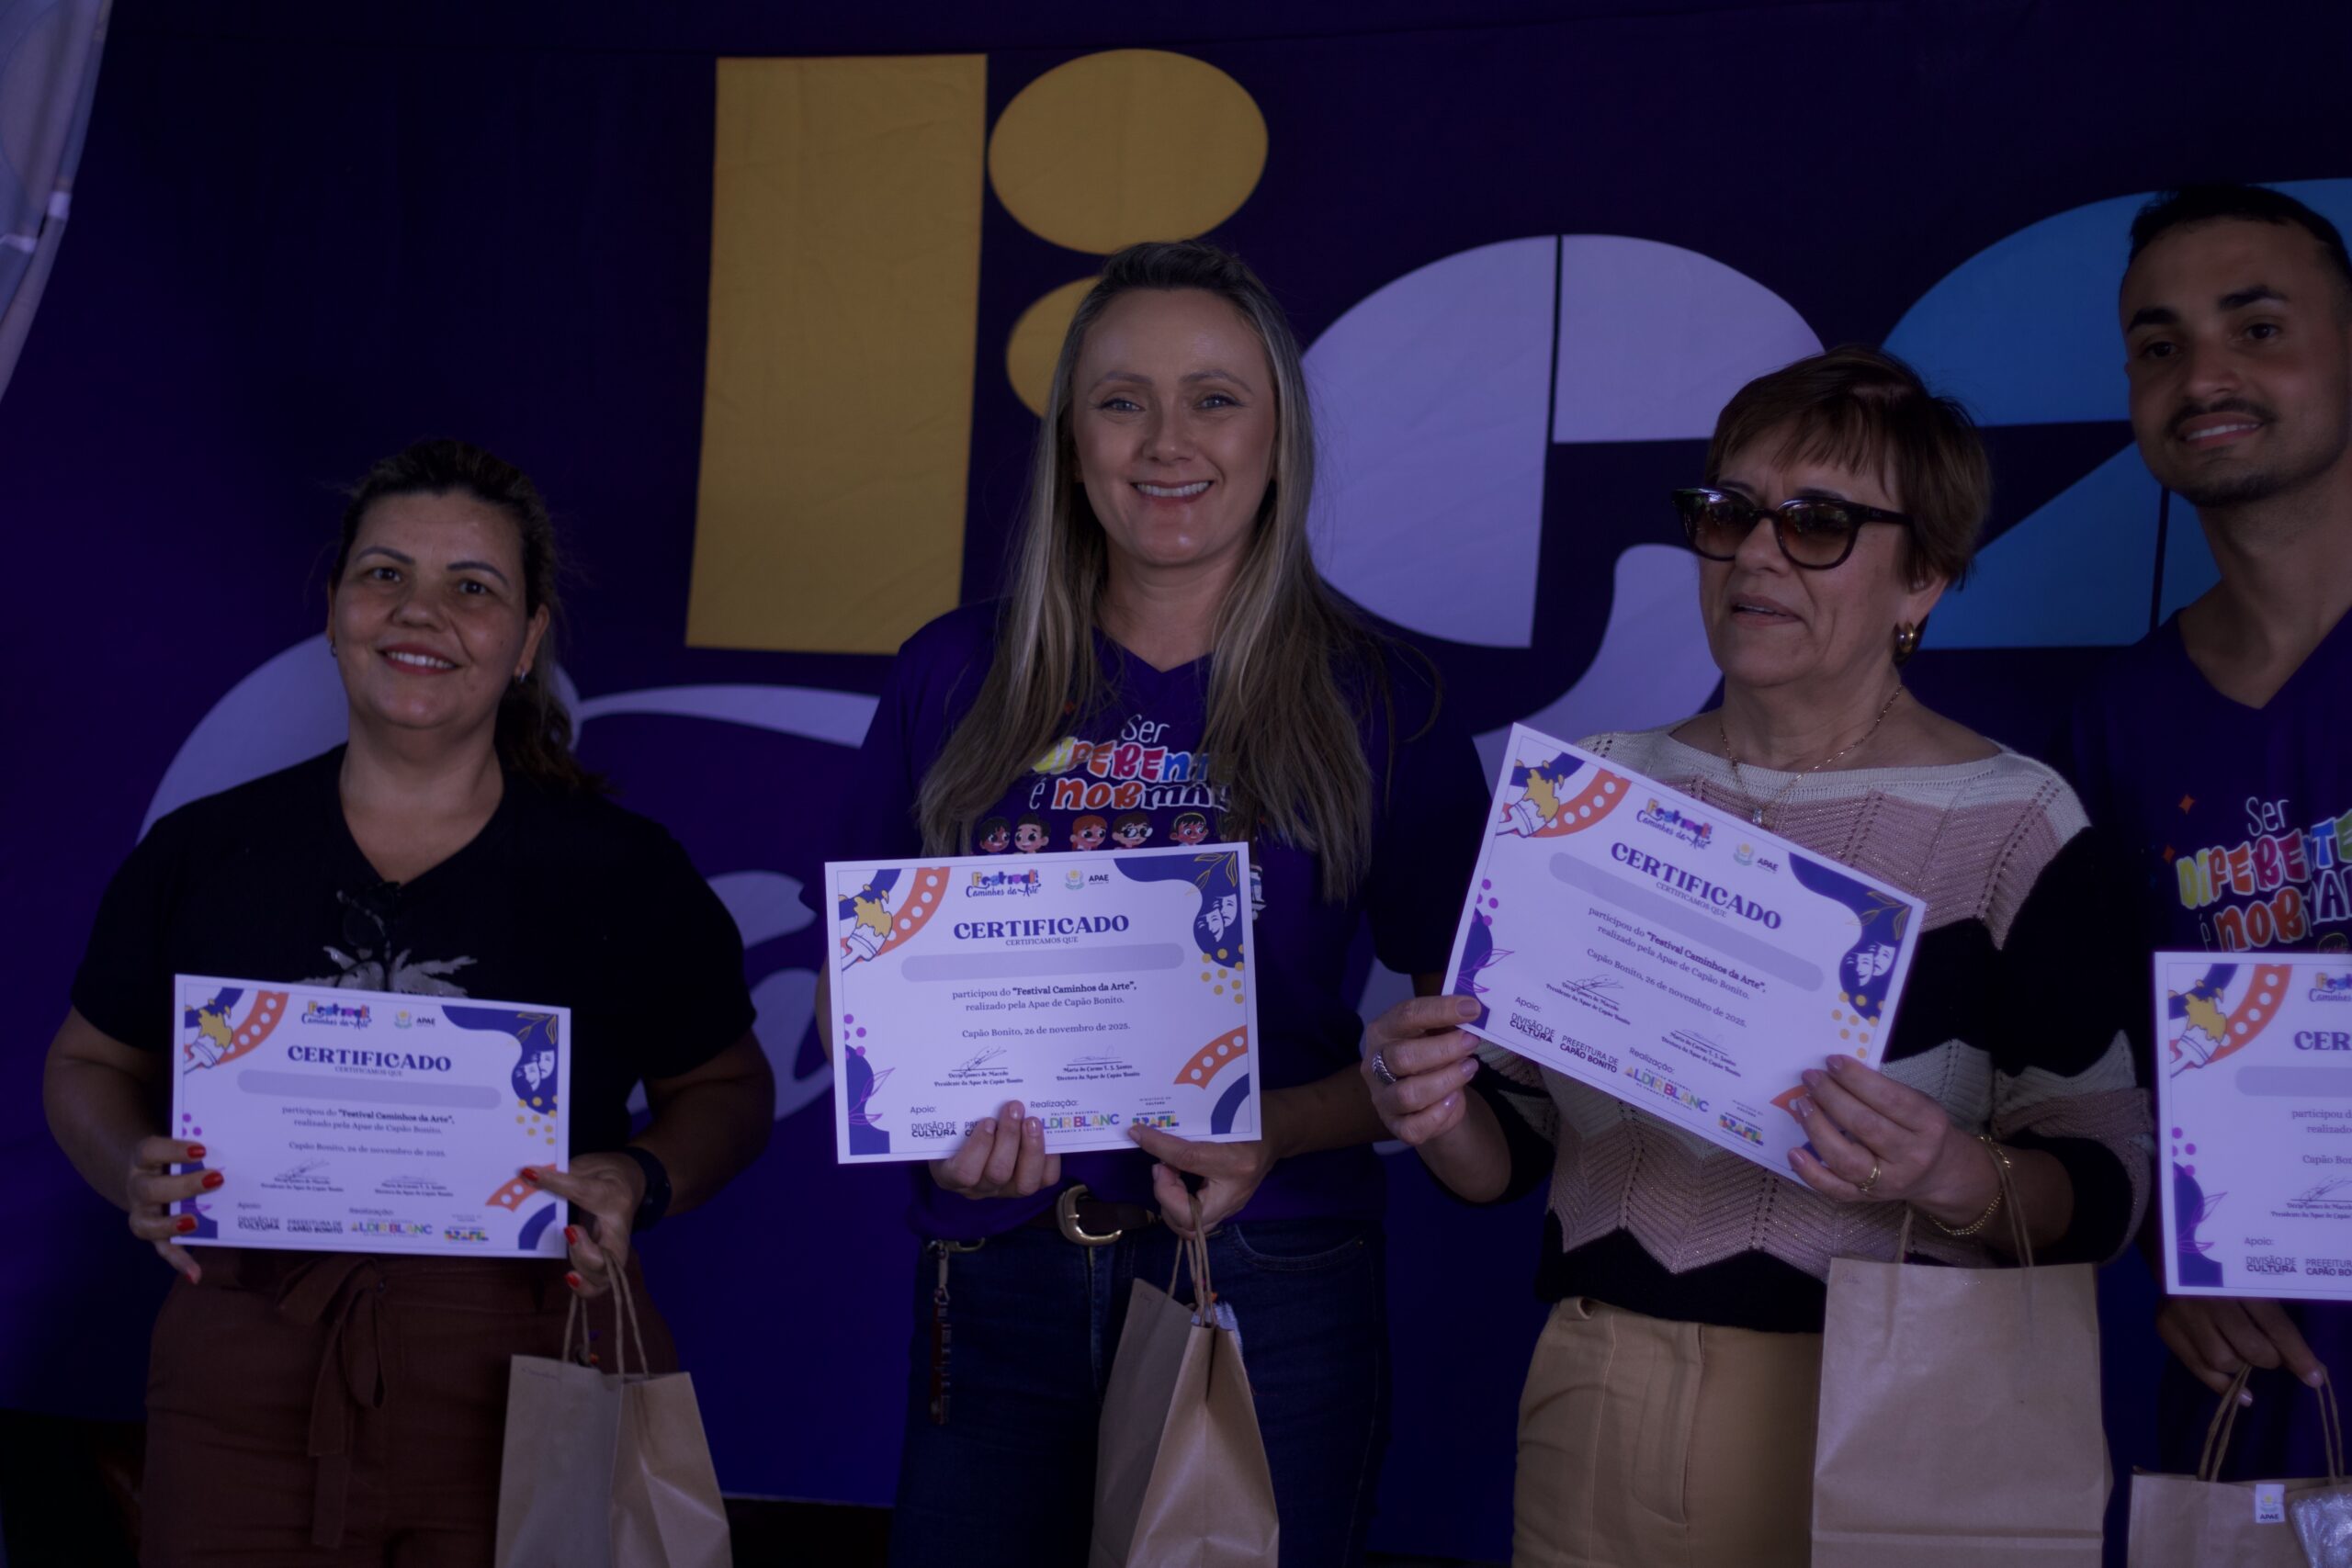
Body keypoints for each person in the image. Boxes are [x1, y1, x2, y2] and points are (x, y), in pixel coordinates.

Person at [1364, 346, 2153, 1566]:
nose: (1756, 555)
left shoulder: (2016, 826)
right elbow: (1507, 1148)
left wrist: (1953, 1172)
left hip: (1890, 1417)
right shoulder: (1593, 792)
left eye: (1819, 523)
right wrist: (1431, 1106)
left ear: (1925, 576)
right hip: (1599, 1394)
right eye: (1729, 512)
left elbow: (2110, 1180)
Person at [818, 239, 1487, 1567]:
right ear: (1073, 445)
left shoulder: (1383, 699)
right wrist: (931, 1122)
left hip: (1268, 1271)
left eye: (1214, 399)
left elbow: (1462, 1064)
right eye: (1122, 400)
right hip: (999, 1265)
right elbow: (858, 991)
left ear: (1278, 438)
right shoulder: (952, 671)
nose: (1167, 441)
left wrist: (1277, 1130)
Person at [42, 440, 774, 1564]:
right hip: (243, 1378)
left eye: (472, 587)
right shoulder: (205, 853)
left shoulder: (622, 873)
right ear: (335, 608)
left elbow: (726, 1086)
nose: (419, 612)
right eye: (384, 574)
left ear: (526, 640)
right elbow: (87, 1063)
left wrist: (639, 1176)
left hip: (533, 1372)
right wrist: (128, 1167)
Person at [2071, 183, 2352, 1479]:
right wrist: (2167, 1254)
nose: (2202, 377)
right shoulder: (2119, 718)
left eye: (2258, 327)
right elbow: (2103, 1053)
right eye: (2158, 345)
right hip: (2262, 1384)